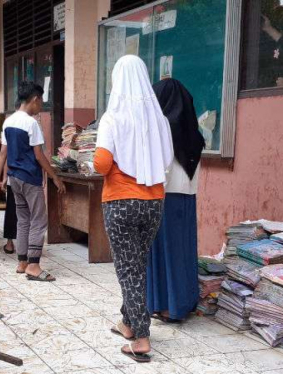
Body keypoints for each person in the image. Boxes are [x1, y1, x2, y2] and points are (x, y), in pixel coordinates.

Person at [93, 55, 174, 362]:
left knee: (128, 269)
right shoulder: (159, 119)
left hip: (120, 201)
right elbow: (166, 160)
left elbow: (101, 164)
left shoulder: (113, 118)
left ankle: (140, 338)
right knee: (137, 264)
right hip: (154, 201)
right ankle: (127, 322)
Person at [0, 81, 66, 281]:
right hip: (30, 178)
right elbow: (39, 156)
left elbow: (3, 153)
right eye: (40, 102)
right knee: (39, 221)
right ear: (34, 99)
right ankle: (33, 265)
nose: (40, 106)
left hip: (14, 178)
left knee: (23, 220)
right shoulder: (31, 123)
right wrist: (55, 177)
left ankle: (22, 262)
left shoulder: (8, 121)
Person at [146, 78, 205, 323]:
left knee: (164, 253)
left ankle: (167, 306)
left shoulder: (164, 129)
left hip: (165, 197)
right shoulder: (193, 132)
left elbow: (162, 169)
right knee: (183, 251)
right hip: (187, 197)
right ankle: (184, 302)